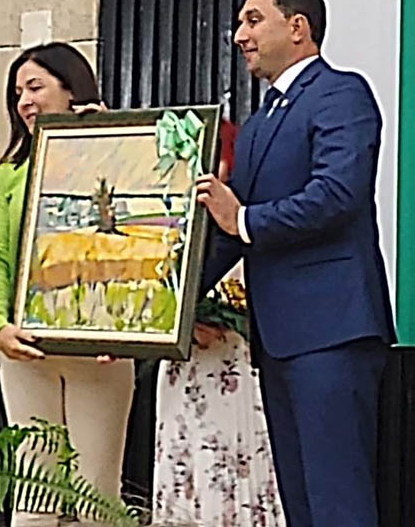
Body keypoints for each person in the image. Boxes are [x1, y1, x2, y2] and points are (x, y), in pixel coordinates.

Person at [195, 0, 396, 526]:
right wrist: (161, 310)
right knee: (302, 505)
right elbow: (228, 232)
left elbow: (337, 194)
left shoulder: (342, 94)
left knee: (338, 502)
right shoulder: (259, 124)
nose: (239, 35)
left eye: (253, 20)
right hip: (278, 340)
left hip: (332, 331)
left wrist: (244, 218)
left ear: (298, 27)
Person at [0, 42, 135, 527]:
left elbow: (139, 239)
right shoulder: (11, 173)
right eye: (17, 93)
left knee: (97, 498)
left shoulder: (121, 155)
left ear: (71, 90)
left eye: (35, 87)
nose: (24, 101)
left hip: (99, 353)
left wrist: (109, 139)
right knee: (33, 496)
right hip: (28, 353)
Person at [153, 118, 285, 527]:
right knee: (186, 470)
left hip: (236, 370)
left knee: (232, 470)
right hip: (182, 372)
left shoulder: (246, 220)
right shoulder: (168, 228)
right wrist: (176, 321)